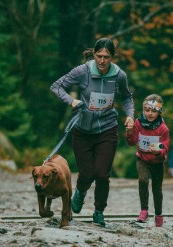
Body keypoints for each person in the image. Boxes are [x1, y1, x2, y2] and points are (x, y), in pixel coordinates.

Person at [50, 38, 134, 227]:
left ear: (112, 57)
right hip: (83, 130)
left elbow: (127, 97)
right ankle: (80, 192)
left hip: (107, 128)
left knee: (102, 174)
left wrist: (130, 115)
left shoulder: (119, 75)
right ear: (94, 54)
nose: (102, 61)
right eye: (99, 56)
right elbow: (56, 86)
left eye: (107, 57)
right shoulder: (83, 71)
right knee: (87, 173)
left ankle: (98, 211)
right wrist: (72, 101)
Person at [125, 94, 170, 227]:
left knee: (157, 189)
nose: (150, 113)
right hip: (142, 159)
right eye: (147, 110)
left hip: (157, 161)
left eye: (154, 111)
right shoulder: (138, 123)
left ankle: (159, 214)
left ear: (159, 112)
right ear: (143, 109)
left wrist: (159, 151)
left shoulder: (163, 128)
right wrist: (129, 132)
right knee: (143, 181)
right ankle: (144, 210)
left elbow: (165, 146)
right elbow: (132, 142)